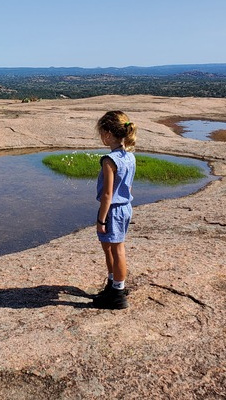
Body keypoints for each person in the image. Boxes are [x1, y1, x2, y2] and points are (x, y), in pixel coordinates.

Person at [92, 110, 137, 309]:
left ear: (108, 134)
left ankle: (118, 293)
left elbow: (107, 195)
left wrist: (101, 220)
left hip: (113, 210)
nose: (101, 136)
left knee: (117, 249)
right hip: (125, 207)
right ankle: (112, 285)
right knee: (109, 247)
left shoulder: (109, 161)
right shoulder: (130, 157)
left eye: (101, 132)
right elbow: (129, 187)